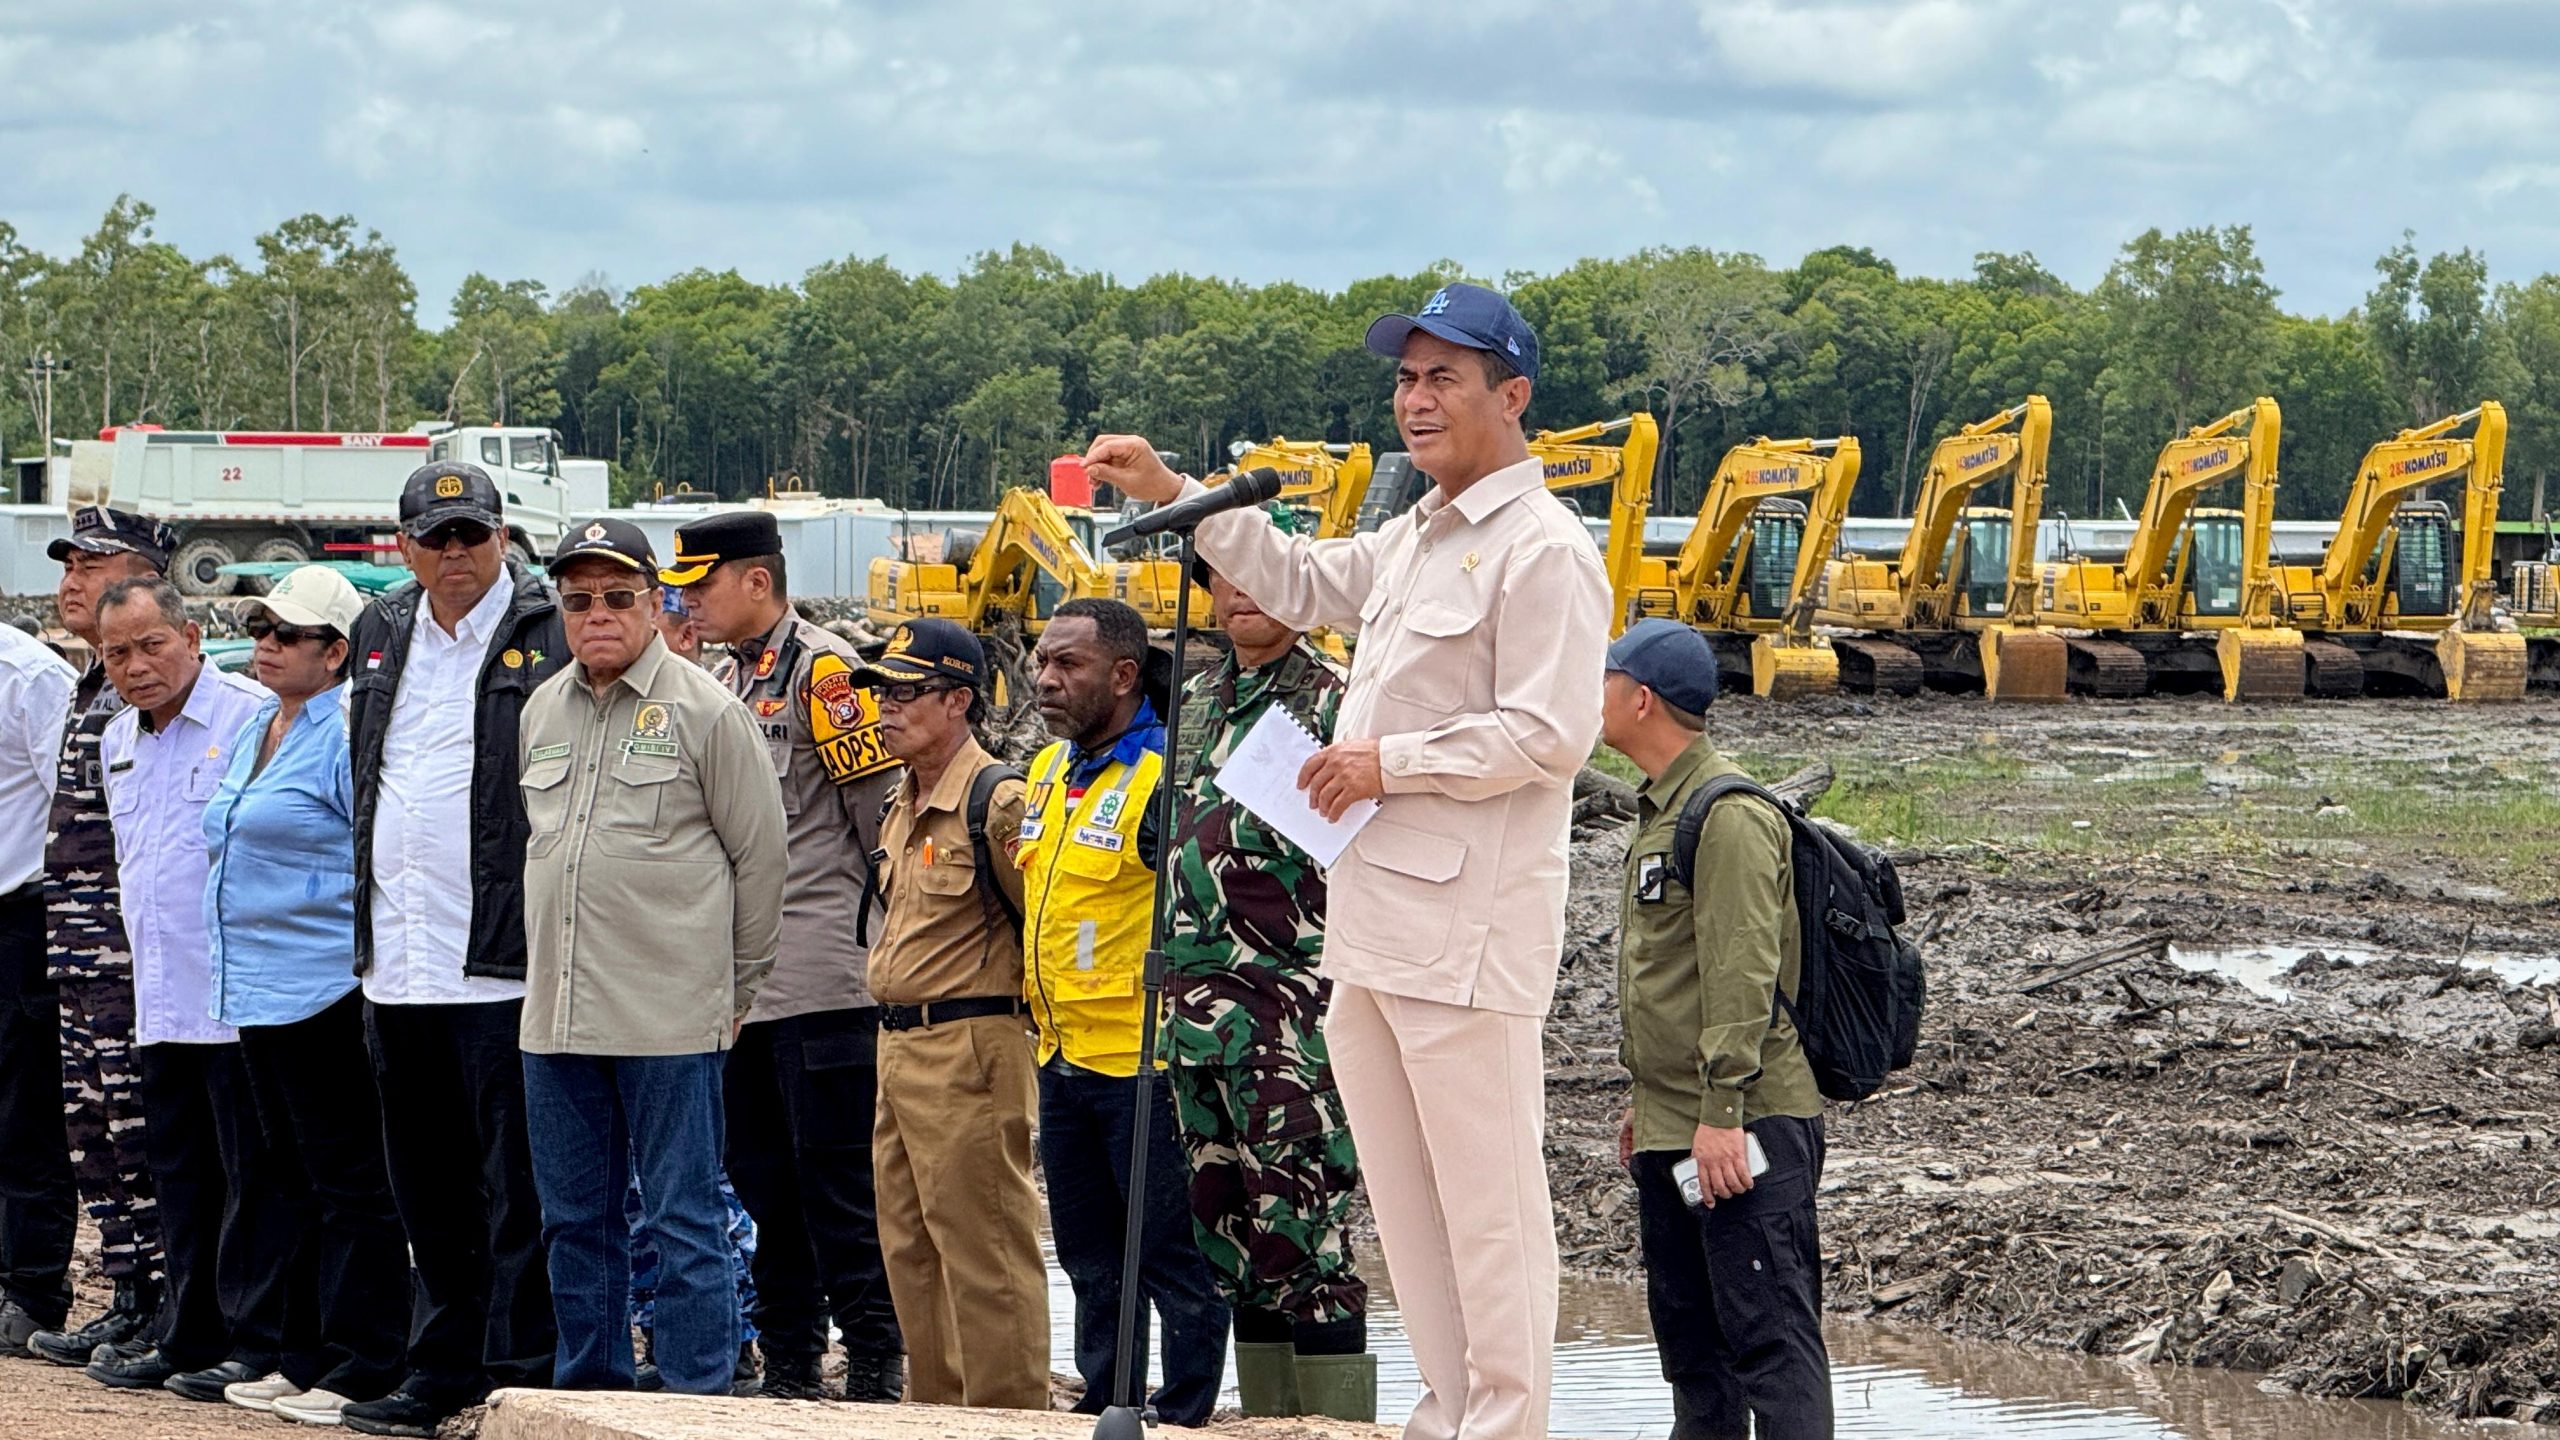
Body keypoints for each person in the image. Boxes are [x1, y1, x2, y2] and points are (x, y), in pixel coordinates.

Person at [1084, 281, 1610, 1440]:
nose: (1415, 400)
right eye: (1407, 378)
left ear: (1510, 396)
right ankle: (1448, 1411)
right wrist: (1178, 496)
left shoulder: (1543, 550)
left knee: (1487, 1205)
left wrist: (1388, 763)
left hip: (1465, 929)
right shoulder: (1422, 532)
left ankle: (1506, 1426)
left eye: (1444, 378)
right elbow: (1305, 580)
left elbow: (1550, 734)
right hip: (1370, 926)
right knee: (1411, 1211)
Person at [515, 518, 788, 1396]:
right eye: (579, 599)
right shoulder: (540, 709)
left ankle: (697, 1397)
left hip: (671, 1012)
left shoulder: (708, 711)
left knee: (684, 1218)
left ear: (656, 602)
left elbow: (761, 860)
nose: (598, 614)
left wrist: (735, 990)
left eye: (619, 597)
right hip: (556, 1015)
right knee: (572, 1220)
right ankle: (590, 1394)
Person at [341, 461, 566, 1438]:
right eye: (434, 539)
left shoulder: (546, 633)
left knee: (516, 1187)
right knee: (425, 1189)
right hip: (397, 959)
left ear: (503, 537)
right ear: (403, 548)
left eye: (470, 535)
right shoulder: (379, 631)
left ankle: (519, 1374)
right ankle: (440, 1367)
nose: (454, 553)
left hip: (501, 961)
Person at [662, 511, 906, 1401]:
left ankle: (877, 1361)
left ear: (756, 582)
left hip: (822, 976)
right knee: (762, 1183)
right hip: (742, 985)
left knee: (836, 1182)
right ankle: (795, 1361)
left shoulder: (827, 673)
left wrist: (883, 946)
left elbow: (880, 820)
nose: (688, 598)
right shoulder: (724, 676)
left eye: (703, 582)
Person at [1599, 620, 1830, 1440]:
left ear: (1640, 698)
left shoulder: (1726, 814)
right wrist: (1650, 1103)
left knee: (1770, 1345)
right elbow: (1669, 978)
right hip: (1677, 1123)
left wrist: (1721, 1111)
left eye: (1603, 678)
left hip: (1741, 1126)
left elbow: (1743, 976)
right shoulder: (1660, 810)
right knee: (1695, 1354)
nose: (1593, 695)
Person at [1164, 557, 1372, 1420]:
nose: (1240, 593)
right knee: (1231, 1236)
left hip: (1287, 1013)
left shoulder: (1335, 700)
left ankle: (1332, 1431)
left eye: (1260, 574)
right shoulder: (1200, 699)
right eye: (1224, 578)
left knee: (1305, 1233)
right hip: (1193, 1013)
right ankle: (1268, 1426)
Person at [201, 566, 411, 1421]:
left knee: (348, 1180)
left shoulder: (342, 732)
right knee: (284, 1176)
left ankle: (363, 1358)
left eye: (287, 634)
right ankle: (299, 1349)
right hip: (252, 987)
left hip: (322, 986)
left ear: (335, 654)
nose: (266, 645)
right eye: (261, 629)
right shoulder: (260, 725)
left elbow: (367, 854)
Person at [1020, 597, 1229, 1425]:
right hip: (1061, 1056)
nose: (1044, 679)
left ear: (1122, 675)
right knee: (1088, 1256)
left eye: (1066, 665)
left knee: (1169, 1255)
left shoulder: (1163, 777)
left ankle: (1181, 1414)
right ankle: (1107, 1403)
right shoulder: (1047, 774)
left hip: (1143, 1064)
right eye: (1042, 660)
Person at [82, 576, 291, 1404]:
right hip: (161, 996)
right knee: (180, 1174)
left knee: (253, 1177)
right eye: (116, 654)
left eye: (151, 645)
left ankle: (253, 1339)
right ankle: (188, 1333)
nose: (136, 667)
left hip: (239, 995)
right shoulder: (116, 738)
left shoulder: (249, 717)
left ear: (193, 634)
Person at [853, 618, 1048, 1410]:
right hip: (899, 1047)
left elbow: (1042, 918)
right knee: (909, 1245)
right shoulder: (902, 801)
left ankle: (1006, 1421)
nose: (886, 708)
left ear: (960, 700)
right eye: (882, 692)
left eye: (907, 692)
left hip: (970, 1040)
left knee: (986, 1252)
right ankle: (936, 1416)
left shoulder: (996, 799)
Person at [24, 507, 178, 1369]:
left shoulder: (147, 683)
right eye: (68, 565)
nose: (73, 580)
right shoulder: (92, 683)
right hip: (77, 949)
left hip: (132, 951)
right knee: (95, 1130)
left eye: (95, 562)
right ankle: (128, 1296)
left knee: (141, 1128)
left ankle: (168, 1305)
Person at [0, 614, 75, 1357]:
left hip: (22, 917)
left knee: (26, 1114)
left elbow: (72, 807)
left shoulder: (30, 678)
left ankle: (34, 1288)